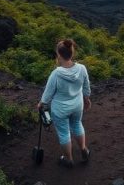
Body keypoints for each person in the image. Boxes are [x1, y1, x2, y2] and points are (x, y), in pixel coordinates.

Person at [37, 38, 91, 167]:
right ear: (72, 53)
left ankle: (68, 160)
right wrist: (87, 99)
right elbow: (86, 86)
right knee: (77, 124)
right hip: (77, 105)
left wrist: (41, 104)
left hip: (60, 109)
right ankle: (84, 150)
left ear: (59, 55)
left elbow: (48, 93)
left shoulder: (56, 74)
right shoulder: (82, 68)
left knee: (64, 133)